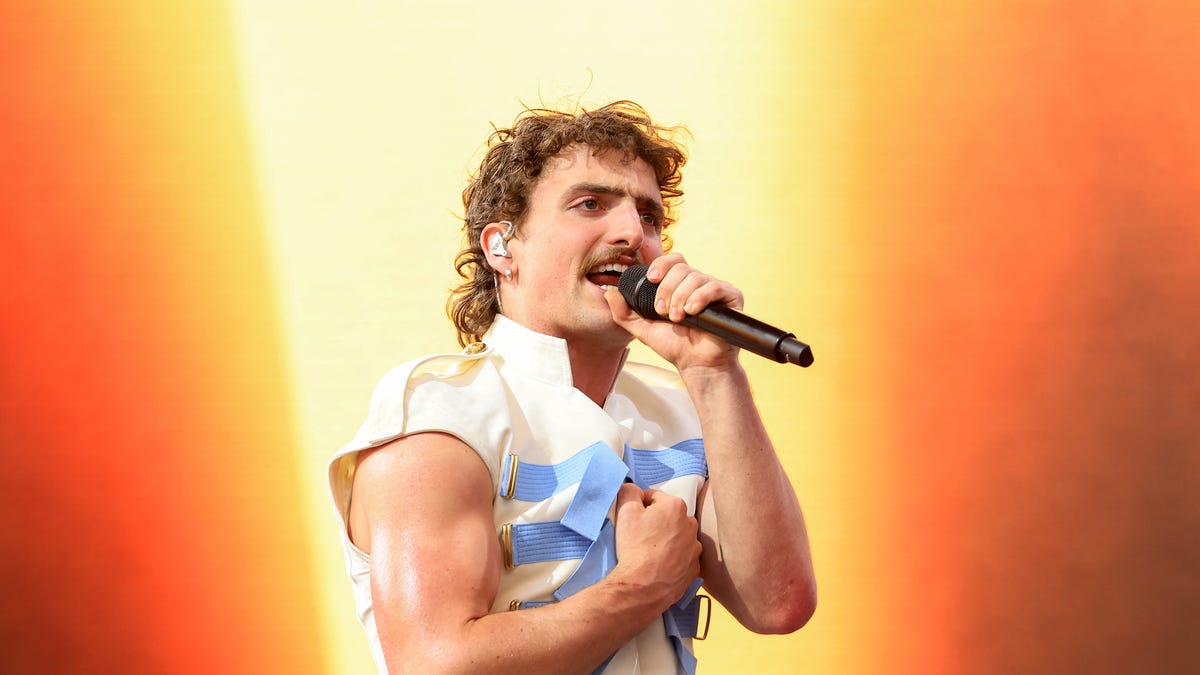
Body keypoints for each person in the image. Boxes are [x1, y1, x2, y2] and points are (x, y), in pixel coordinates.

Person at [327, 100, 816, 674]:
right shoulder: (440, 416)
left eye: (649, 216)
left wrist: (714, 375)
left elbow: (778, 603)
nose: (631, 233)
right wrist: (641, 586)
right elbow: (435, 663)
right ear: (502, 247)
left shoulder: (680, 407)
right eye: (591, 204)